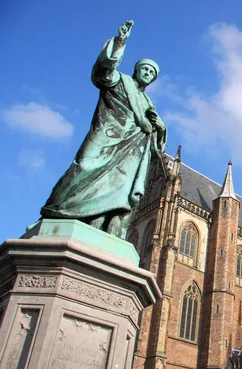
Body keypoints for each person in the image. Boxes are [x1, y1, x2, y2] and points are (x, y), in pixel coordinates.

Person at [41, 20, 167, 239]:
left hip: (129, 156)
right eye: (145, 69)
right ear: (137, 70)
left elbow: (154, 145)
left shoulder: (148, 104)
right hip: (106, 137)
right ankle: (57, 211)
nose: (147, 73)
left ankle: (102, 228)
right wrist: (119, 42)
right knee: (83, 168)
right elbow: (102, 72)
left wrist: (160, 128)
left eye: (151, 72)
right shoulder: (118, 81)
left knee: (120, 195)